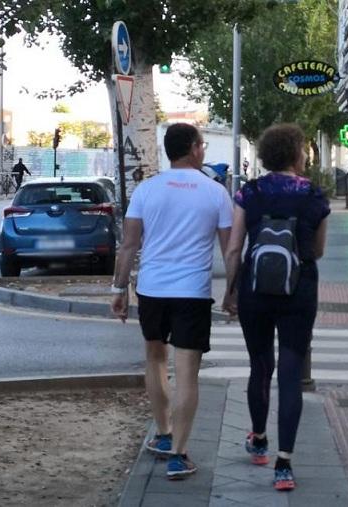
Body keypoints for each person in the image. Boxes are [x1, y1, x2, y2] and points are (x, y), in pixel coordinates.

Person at [111, 123, 233, 480]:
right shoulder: (215, 193)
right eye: (203, 145)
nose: (204, 150)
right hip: (192, 293)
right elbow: (230, 250)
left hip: (152, 289)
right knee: (186, 372)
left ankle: (163, 434)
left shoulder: (146, 190)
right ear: (195, 148)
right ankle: (179, 455)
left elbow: (129, 245)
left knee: (154, 359)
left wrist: (118, 290)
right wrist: (233, 292)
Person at [222, 123, 330, 491]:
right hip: (299, 291)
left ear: (267, 155)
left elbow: (235, 247)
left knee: (260, 365)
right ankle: (284, 464)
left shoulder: (249, 192)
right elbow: (318, 250)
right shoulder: (314, 195)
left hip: (255, 288)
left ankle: (258, 440)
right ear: (297, 154)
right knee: (290, 371)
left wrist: (230, 290)